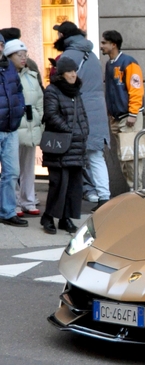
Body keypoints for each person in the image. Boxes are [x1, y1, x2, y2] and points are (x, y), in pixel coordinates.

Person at [54, 21, 110, 211]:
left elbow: (61, 87)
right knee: (96, 156)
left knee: (74, 158)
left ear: (63, 36)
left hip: (78, 113)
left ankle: (79, 197)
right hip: (98, 112)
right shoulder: (92, 55)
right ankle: (104, 196)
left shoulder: (67, 57)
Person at [40, 57, 89, 235]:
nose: (73, 74)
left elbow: (82, 114)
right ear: (61, 74)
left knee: (73, 185)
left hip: (76, 144)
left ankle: (65, 218)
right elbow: (51, 115)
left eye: (75, 71)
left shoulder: (76, 92)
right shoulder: (52, 90)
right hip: (60, 145)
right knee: (58, 183)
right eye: (69, 71)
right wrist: (70, 130)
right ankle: (48, 216)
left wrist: (84, 131)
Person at [100, 30, 145, 190]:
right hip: (116, 116)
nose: (101, 46)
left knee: (131, 157)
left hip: (128, 116)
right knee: (123, 157)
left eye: (104, 42)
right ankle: (133, 190)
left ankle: (137, 191)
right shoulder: (109, 64)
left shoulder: (128, 62)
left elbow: (136, 89)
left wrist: (133, 113)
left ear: (113, 44)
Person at [4, 40, 44, 217]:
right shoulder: (6, 75)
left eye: (25, 54)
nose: (23, 58)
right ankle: (15, 202)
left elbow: (40, 101)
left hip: (30, 125)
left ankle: (29, 200)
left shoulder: (32, 76)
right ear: (9, 56)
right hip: (13, 126)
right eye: (19, 55)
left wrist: (39, 119)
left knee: (28, 167)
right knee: (12, 168)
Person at [0, 33, 28, 227]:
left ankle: (8, 211)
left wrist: (19, 111)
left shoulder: (9, 67)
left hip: (10, 128)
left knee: (12, 172)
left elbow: (18, 90)